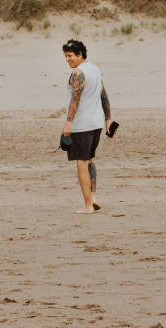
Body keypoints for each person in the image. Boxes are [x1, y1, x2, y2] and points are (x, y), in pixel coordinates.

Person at [61, 39, 112, 214]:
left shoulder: (78, 73)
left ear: (80, 54)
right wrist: (108, 118)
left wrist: (68, 122)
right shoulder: (95, 69)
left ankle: (88, 205)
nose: (67, 59)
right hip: (96, 123)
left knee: (81, 163)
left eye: (70, 56)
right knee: (90, 160)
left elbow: (75, 99)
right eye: (65, 56)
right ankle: (93, 197)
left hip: (82, 124)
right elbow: (103, 93)